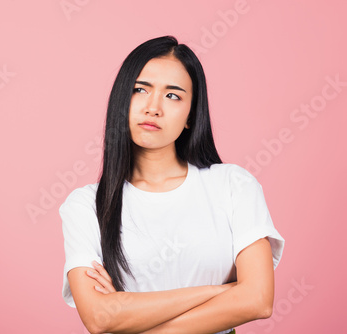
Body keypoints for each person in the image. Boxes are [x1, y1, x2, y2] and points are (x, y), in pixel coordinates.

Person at [59, 35, 285, 334]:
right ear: (121, 100)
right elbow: (99, 317)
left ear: (191, 115)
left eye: (173, 95)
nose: (153, 107)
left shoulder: (233, 185)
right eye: (140, 90)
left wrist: (128, 310)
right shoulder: (87, 205)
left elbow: (257, 301)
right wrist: (219, 291)